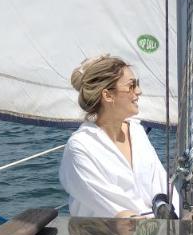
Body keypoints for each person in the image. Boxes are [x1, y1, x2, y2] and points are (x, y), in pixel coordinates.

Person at [59, 55, 178, 218]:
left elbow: (162, 186)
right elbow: (118, 212)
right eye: (131, 86)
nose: (139, 91)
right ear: (108, 96)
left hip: (153, 233)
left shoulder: (136, 131)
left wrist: (179, 221)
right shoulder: (80, 147)